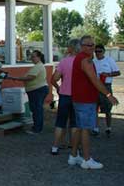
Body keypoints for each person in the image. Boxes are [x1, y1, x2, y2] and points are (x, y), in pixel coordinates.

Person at [69, 35, 119, 170]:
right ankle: (86, 159)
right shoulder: (86, 60)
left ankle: (73, 156)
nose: (92, 48)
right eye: (88, 45)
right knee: (85, 129)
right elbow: (95, 80)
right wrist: (108, 95)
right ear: (81, 46)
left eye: (93, 45)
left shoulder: (80, 58)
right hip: (85, 100)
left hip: (80, 99)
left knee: (79, 127)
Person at [5, 50, 48, 134]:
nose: (32, 58)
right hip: (37, 90)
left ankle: (37, 129)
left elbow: (30, 77)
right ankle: (37, 127)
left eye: (33, 56)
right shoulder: (38, 66)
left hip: (37, 90)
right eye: (31, 57)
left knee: (36, 110)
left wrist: (14, 78)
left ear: (39, 57)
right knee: (36, 109)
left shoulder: (38, 66)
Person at [50, 39, 79, 155]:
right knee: (74, 123)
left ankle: (55, 147)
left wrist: (58, 88)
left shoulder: (64, 62)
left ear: (70, 48)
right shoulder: (83, 62)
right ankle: (74, 147)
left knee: (60, 122)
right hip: (78, 96)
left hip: (64, 95)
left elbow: (53, 79)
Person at [92, 44, 120, 136]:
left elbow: (118, 72)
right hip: (95, 86)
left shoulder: (109, 60)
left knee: (107, 108)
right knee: (95, 107)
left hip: (106, 85)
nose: (97, 53)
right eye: (96, 51)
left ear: (104, 51)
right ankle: (95, 128)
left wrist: (108, 74)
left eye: (99, 51)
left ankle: (108, 127)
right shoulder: (93, 61)